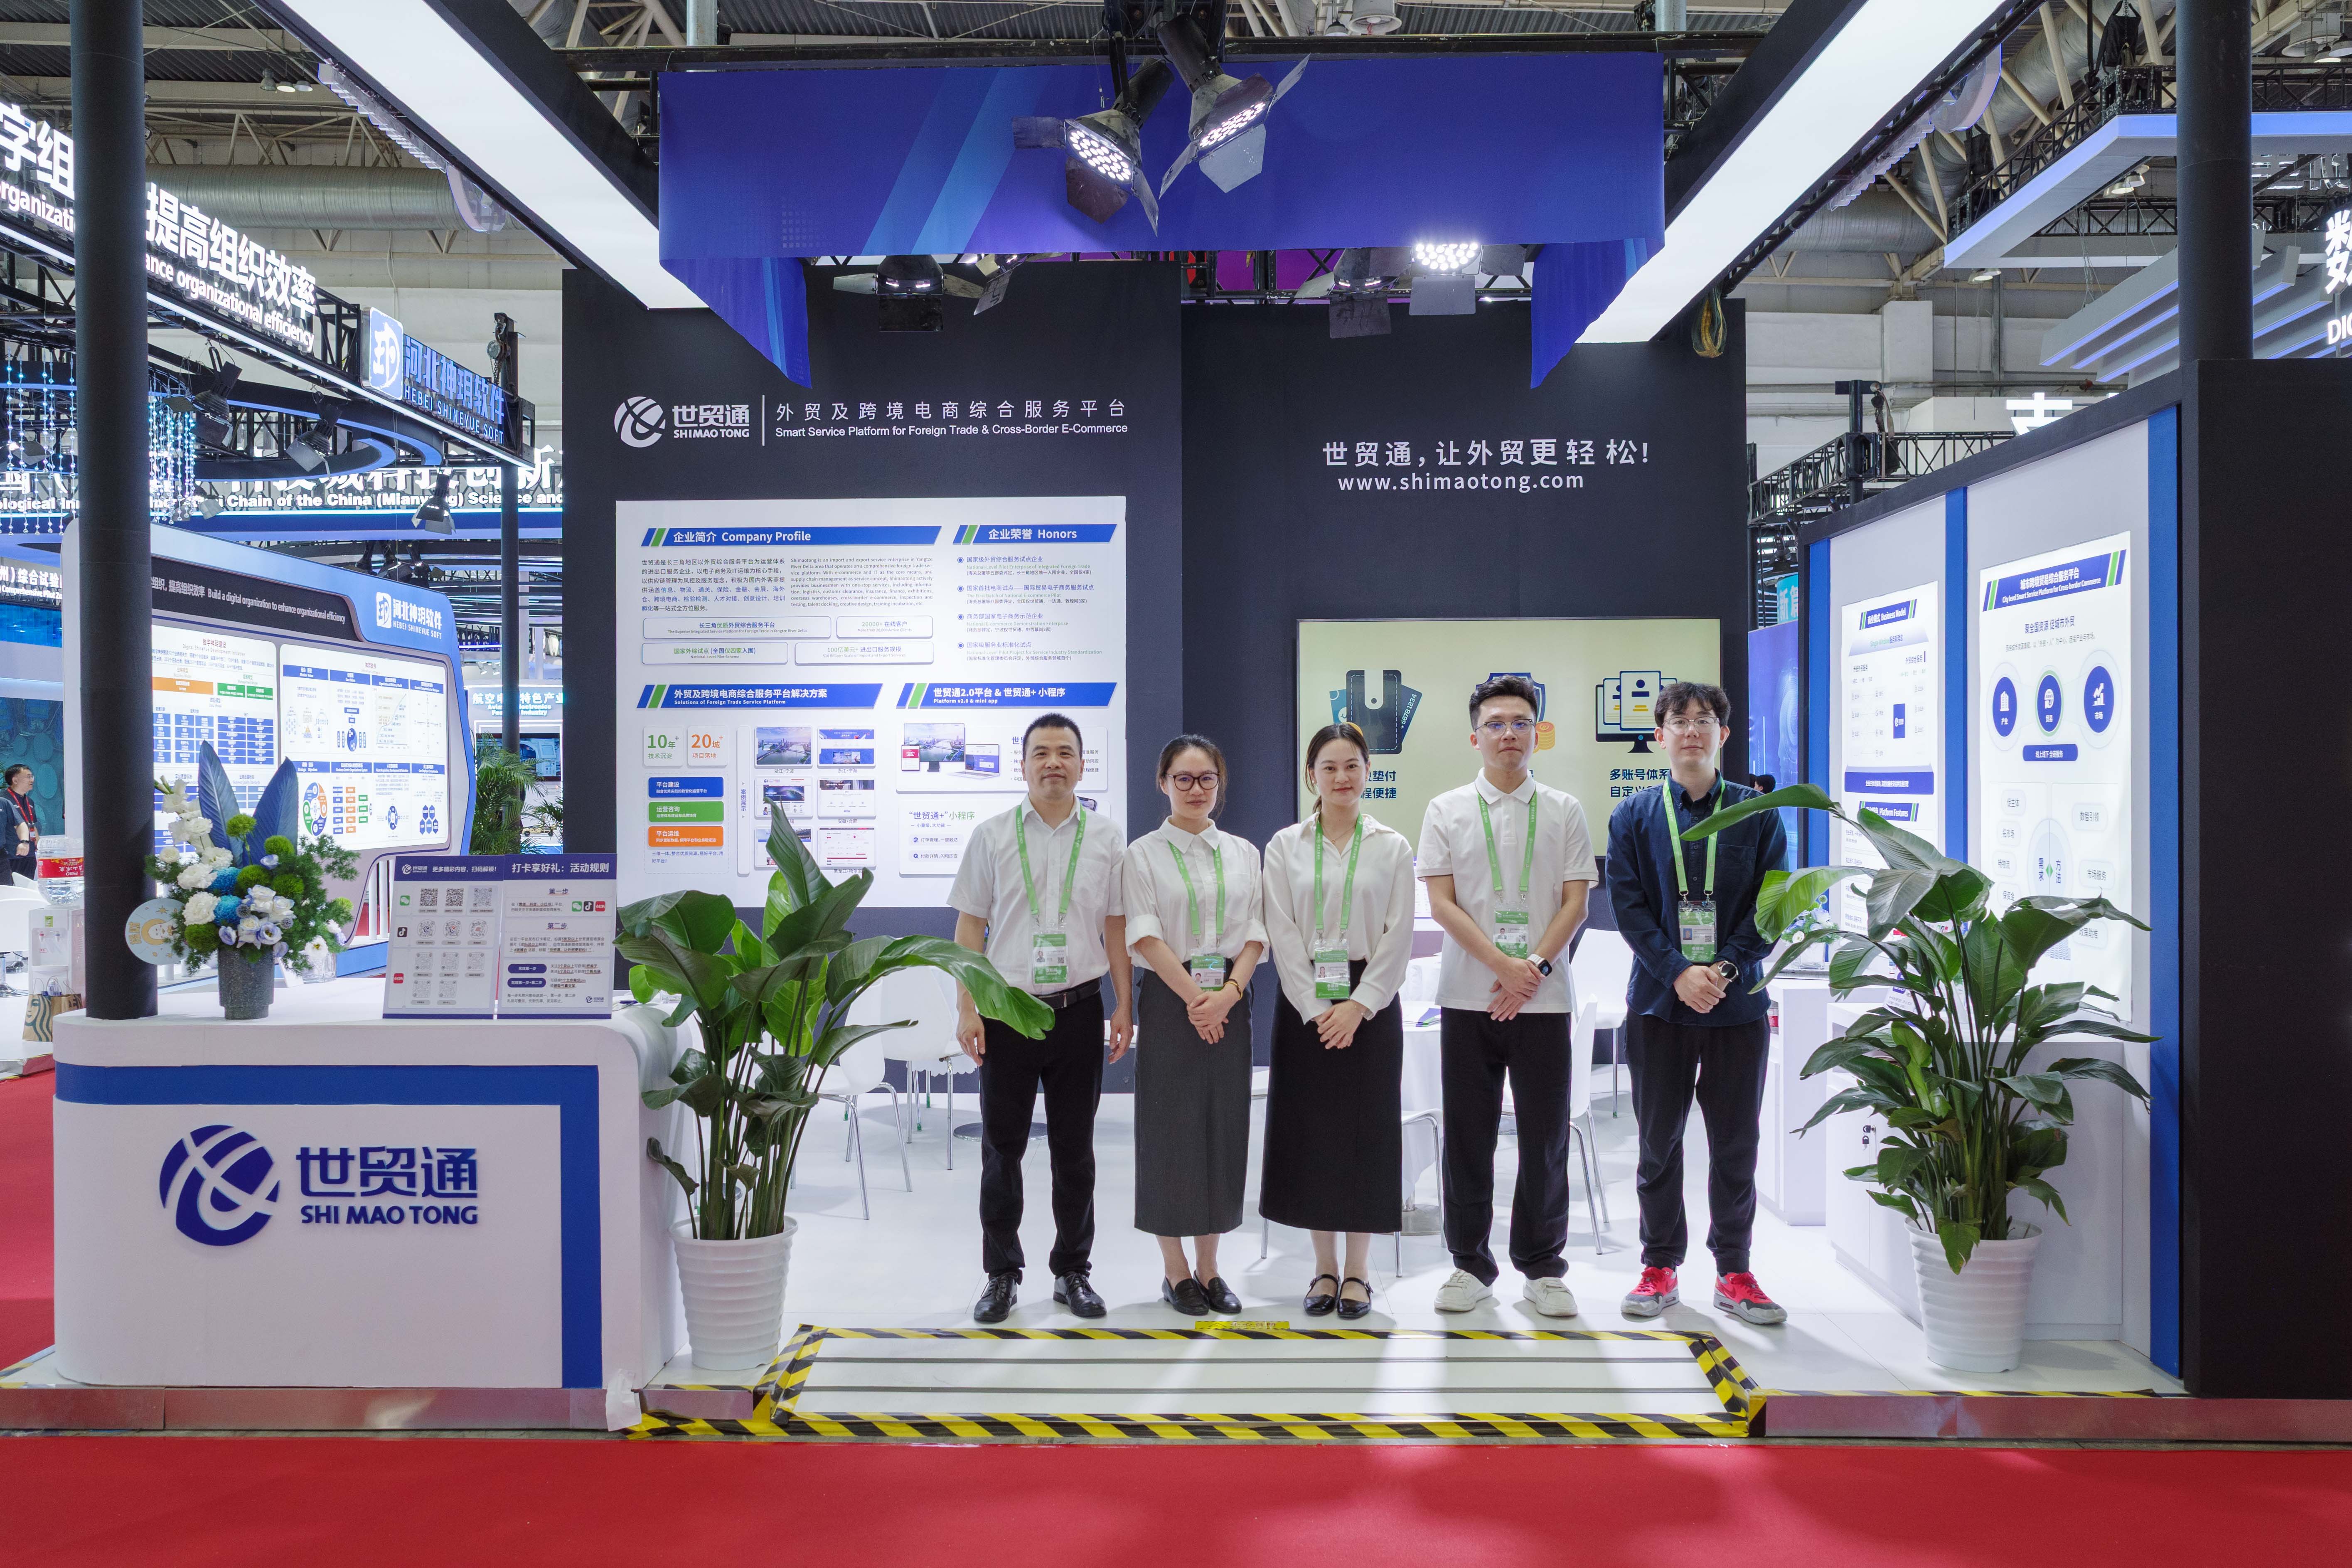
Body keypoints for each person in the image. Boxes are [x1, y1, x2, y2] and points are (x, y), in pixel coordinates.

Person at [1604, 681, 1791, 1327]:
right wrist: (1679, 972)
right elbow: (1629, 908)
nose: (1691, 730)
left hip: (1737, 1009)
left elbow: (1774, 906)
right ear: (1659, 736)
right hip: (1659, 1006)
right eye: (1679, 720)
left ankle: (1735, 1270)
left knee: (1736, 1144)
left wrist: (1724, 968)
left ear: (1724, 734)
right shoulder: (1633, 816)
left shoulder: (1758, 813)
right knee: (1658, 1142)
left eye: (1704, 719)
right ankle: (1659, 1264)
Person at [1417, 676, 1597, 1319]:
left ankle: (1543, 1267)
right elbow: (1442, 903)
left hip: (1544, 1002)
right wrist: (1502, 966)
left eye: (1521, 722)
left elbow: (1576, 902)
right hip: (1469, 997)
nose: (1509, 734)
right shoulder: (1445, 809)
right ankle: (1469, 1264)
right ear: (1476, 737)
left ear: (1538, 734)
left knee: (1545, 1138)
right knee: (1468, 1135)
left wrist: (1534, 968)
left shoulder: (1564, 809)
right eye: (1495, 724)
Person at [950, 714, 1132, 1324]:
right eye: (1041, 752)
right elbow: (970, 927)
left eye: (1065, 752)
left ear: (1081, 764)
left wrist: (1125, 1004)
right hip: (1006, 1011)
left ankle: (1072, 1270)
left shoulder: (1106, 838)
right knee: (1002, 1149)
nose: (1054, 762)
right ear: (1023, 763)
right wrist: (967, 1006)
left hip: (1079, 1011)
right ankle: (1001, 1274)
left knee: (1074, 1150)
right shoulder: (992, 835)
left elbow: (1115, 927)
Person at [1260, 721, 1416, 1321]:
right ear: (1311, 776)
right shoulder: (1284, 846)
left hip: (1370, 1005)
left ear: (1368, 772)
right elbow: (1281, 932)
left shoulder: (1393, 847)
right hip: (1306, 1006)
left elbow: (1398, 936)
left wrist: (1359, 1004)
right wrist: (1318, 1008)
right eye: (1329, 766)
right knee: (1313, 1135)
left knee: (1364, 1137)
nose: (1341, 776)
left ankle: (1358, 1271)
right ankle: (1323, 1268)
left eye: (1352, 765)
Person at [1121, 735, 1264, 1316]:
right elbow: (1145, 935)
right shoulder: (1142, 854)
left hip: (1230, 998)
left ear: (1219, 783)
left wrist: (1226, 996)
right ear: (1163, 783)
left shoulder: (1244, 852)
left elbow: (1256, 932)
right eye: (1183, 778)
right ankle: (1175, 1270)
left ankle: (1210, 1267)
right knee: (1169, 1130)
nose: (1196, 789)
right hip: (1170, 999)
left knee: (1222, 1130)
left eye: (1207, 778)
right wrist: (1196, 1000)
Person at [0, 763, 37, 884]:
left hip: (29, 852)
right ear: (15, 780)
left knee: (27, 887)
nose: (32, 780)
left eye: (32, 777)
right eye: (28, 777)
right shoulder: (4, 799)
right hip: (11, 853)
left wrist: (37, 843)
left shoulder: (29, 801)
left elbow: (31, 824)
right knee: (10, 888)